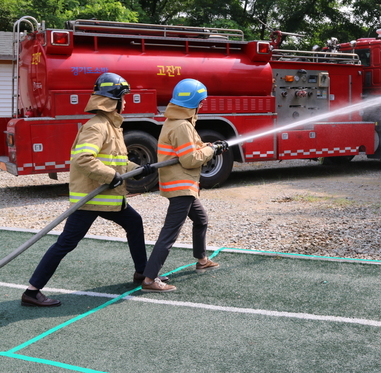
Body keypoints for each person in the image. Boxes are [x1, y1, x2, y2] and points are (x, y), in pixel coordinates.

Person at [21, 72, 161, 307]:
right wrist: (111, 176)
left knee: (134, 223)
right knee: (66, 243)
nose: (125, 102)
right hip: (91, 198)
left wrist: (138, 169)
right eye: (123, 97)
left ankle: (141, 273)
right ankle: (32, 291)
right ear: (114, 99)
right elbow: (84, 159)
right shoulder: (97, 127)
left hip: (106, 196)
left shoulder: (111, 125)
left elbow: (115, 161)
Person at [141, 78, 228, 292]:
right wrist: (212, 151)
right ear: (195, 103)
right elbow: (190, 159)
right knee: (170, 232)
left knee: (201, 219)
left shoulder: (176, 122)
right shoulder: (182, 126)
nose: (202, 105)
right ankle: (149, 279)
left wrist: (209, 146)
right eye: (202, 102)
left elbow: (190, 149)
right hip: (181, 186)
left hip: (183, 185)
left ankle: (202, 260)